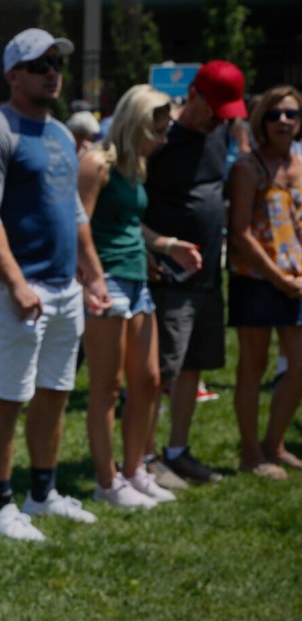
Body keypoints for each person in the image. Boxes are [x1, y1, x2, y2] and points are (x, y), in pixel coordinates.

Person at [0, 28, 111, 541]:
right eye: (41, 64)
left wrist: (92, 274)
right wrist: (18, 282)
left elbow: (72, 212)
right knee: (9, 396)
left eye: (57, 63)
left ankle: (42, 494)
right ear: (13, 75)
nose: (53, 72)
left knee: (54, 392)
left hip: (64, 290)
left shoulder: (59, 135)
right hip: (15, 293)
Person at [78, 84, 199, 508]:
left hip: (137, 281)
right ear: (136, 123)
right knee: (107, 388)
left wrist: (166, 245)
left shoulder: (135, 166)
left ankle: (134, 471)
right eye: (159, 130)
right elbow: (80, 226)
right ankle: (107, 481)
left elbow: (131, 225)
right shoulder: (97, 163)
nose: (164, 140)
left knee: (147, 382)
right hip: (107, 281)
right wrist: (92, 279)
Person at [144, 60, 248, 485]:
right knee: (159, 371)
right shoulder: (161, 138)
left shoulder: (220, 129)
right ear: (195, 96)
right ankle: (145, 456)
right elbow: (132, 202)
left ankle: (177, 450)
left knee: (193, 366)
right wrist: (153, 248)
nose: (221, 118)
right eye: (217, 107)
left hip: (208, 273)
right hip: (169, 275)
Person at [226, 84, 302, 478]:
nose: (284, 121)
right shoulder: (246, 167)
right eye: (275, 115)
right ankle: (251, 452)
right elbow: (240, 232)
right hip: (254, 279)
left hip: (297, 279)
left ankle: (275, 442)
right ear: (262, 121)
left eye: (291, 114)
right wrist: (277, 277)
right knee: (253, 367)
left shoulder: (300, 164)